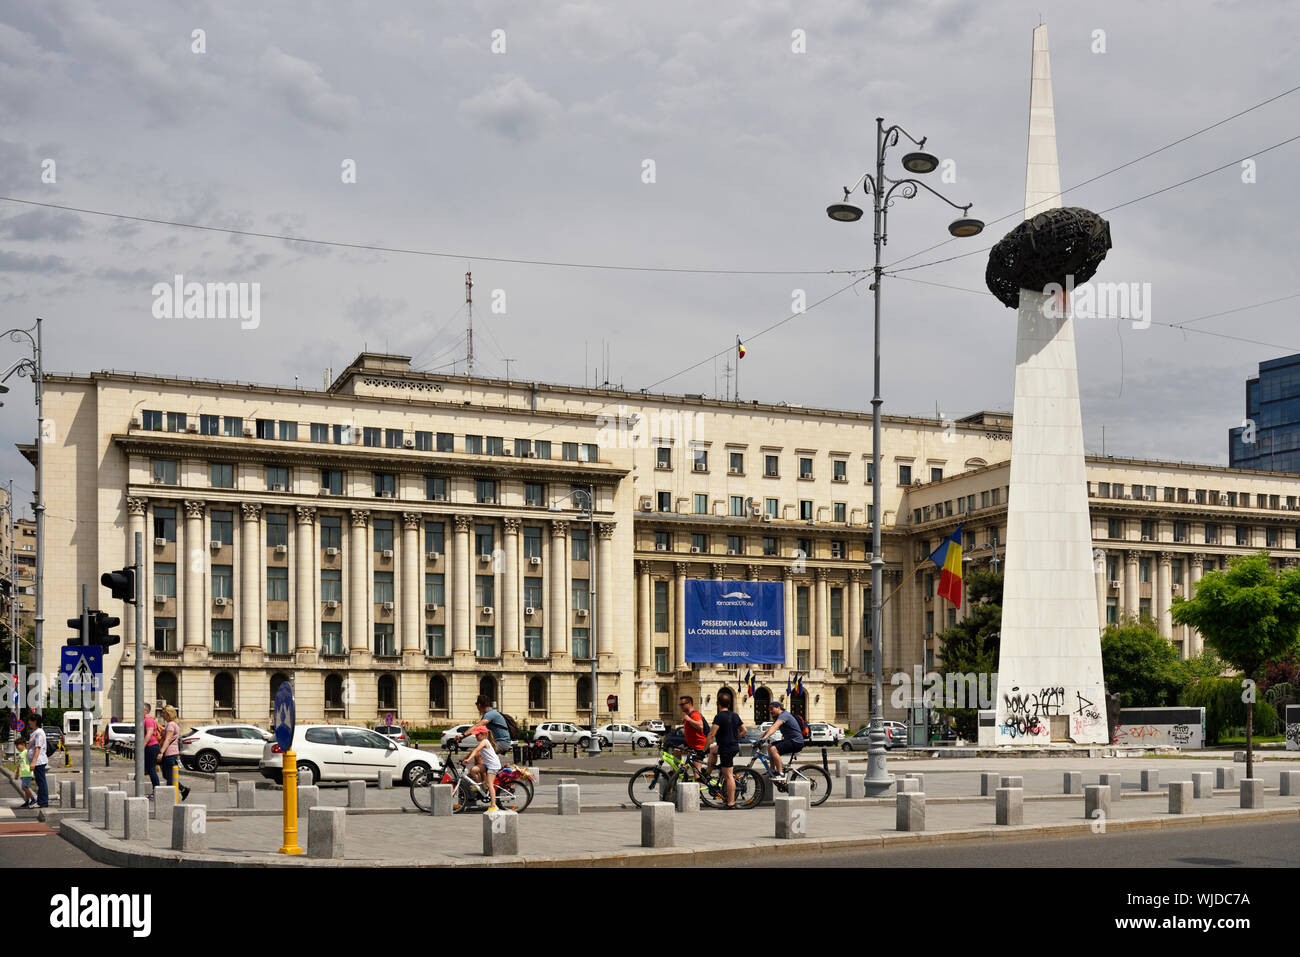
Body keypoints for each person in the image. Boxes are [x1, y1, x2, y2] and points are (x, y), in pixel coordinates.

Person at [705, 688, 746, 809]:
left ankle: (731, 802)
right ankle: (707, 773)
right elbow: (744, 730)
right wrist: (735, 737)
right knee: (713, 750)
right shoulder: (735, 715)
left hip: (726, 749)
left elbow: (712, 734)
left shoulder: (719, 716)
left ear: (718, 704)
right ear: (729, 704)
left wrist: (703, 749)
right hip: (732, 746)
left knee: (728, 776)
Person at [757, 700, 804, 781]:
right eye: (769, 710)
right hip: (790, 740)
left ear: (778, 708)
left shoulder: (784, 715)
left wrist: (764, 739)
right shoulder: (778, 717)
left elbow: (775, 727)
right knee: (770, 746)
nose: (770, 711)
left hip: (796, 741)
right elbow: (770, 729)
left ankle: (780, 773)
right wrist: (759, 739)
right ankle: (772, 771)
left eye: (772, 709)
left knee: (773, 749)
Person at [461, 725, 500, 811]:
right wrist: (465, 759)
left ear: (483, 734)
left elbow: (475, 751)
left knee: (490, 785)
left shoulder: (485, 742)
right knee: (473, 770)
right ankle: (481, 788)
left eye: (477, 735)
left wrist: (468, 759)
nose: (475, 736)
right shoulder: (482, 742)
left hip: (493, 765)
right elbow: (473, 751)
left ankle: (493, 805)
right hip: (487, 764)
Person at [157, 706, 190, 801]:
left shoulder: (171, 725)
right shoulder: (173, 724)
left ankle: (168, 799)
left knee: (170, 777)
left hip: (170, 753)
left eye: (163, 713)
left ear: (169, 714)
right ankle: (183, 789)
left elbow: (167, 739)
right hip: (172, 753)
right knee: (167, 775)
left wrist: (161, 752)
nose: (162, 715)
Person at [678, 695, 711, 780]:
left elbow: (700, 726)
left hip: (699, 747)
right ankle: (676, 773)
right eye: (680, 705)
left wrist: (689, 719)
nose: (680, 706)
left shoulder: (694, 714)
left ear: (689, 704)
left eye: (682, 704)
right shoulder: (688, 715)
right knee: (676, 751)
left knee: (696, 771)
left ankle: (697, 791)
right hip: (692, 746)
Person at [25, 715, 48, 809]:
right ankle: (41, 801)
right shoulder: (36, 732)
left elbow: (38, 748)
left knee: (41, 782)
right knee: (40, 781)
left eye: (30, 720)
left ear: (35, 721)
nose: (29, 722)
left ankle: (42, 802)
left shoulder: (39, 733)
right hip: (37, 761)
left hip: (39, 761)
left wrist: (33, 762)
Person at [141, 704, 161, 790]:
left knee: (151, 768)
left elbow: (149, 733)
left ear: (146, 711)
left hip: (151, 746)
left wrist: (142, 746)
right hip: (150, 746)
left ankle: (156, 789)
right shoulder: (145, 720)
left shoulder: (148, 720)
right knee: (147, 768)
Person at [16, 735, 36, 808]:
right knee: (25, 787)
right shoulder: (20, 754)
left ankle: (33, 799)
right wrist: (17, 773)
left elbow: (31, 760)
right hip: (23, 773)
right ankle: (27, 801)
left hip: (27, 772)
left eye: (17, 745)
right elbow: (20, 764)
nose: (16, 747)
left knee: (24, 787)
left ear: (23, 744)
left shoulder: (26, 752)